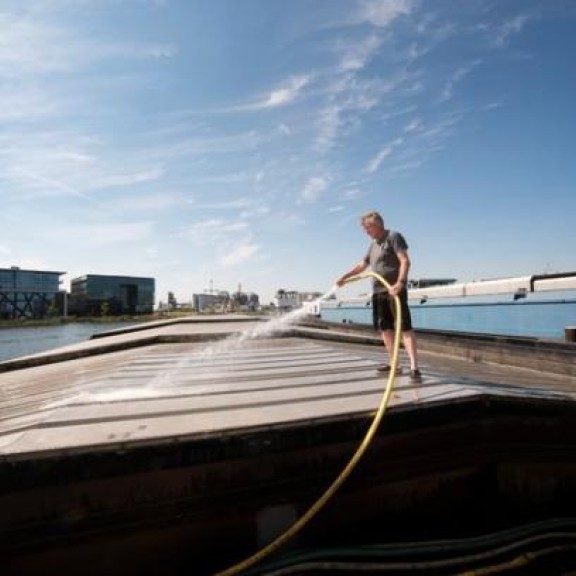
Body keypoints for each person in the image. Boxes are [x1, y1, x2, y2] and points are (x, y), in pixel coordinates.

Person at [337, 211, 421, 381]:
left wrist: (400, 283)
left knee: (404, 328)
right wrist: (345, 277)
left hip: (394, 290)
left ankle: (414, 367)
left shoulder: (393, 237)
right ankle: (394, 364)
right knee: (385, 329)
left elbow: (405, 260)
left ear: (377, 225)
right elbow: (363, 264)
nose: (366, 232)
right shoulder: (373, 245)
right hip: (378, 292)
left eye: (367, 228)